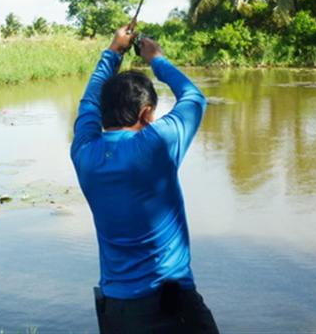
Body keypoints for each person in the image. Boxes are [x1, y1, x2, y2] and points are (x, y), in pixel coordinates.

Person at [70, 26, 219, 334]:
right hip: (173, 307)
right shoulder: (156, 145)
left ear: (102, 113)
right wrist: (156, 58)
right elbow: (193, 97)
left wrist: (113, 52)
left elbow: (88, 100)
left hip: (118, 311)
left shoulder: (84, 152)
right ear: (147, 113)